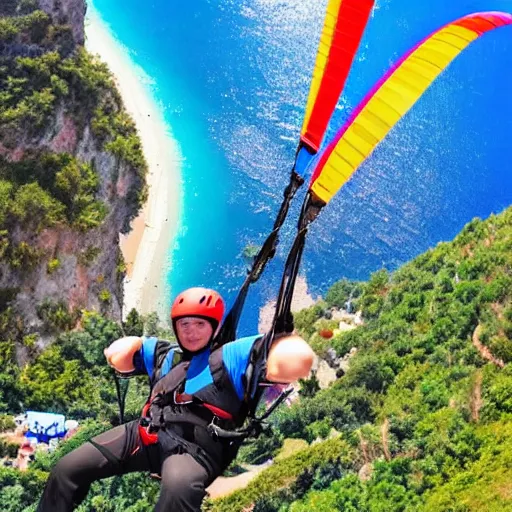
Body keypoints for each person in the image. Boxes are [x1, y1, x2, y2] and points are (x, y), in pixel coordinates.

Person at [37, 287, 315, 511]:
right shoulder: (166, 355)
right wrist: (136, 343)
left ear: (215, 328)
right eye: (184, 324)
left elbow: (297, 361)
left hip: (195, 449)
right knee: (67, 469)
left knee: (178, 493)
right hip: (146, 434)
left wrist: (283, 340)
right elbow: (118, 358)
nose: (191, 331)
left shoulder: (230, 357)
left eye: (199, 324)